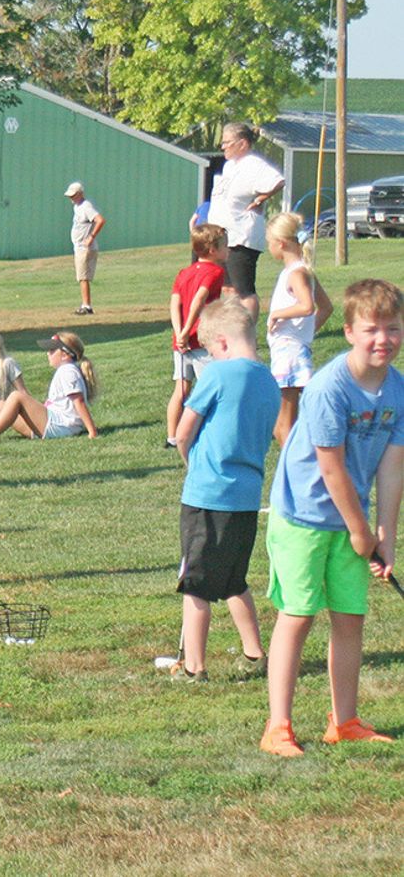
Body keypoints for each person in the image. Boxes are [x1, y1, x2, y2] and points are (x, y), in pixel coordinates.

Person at [259, 279, 403, 757]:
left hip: (350, 521)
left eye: (393, 329)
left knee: (350, 617)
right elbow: (330, 465)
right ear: (348, 332)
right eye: (371, 329)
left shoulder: (397, 389)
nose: (382, 339)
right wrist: (361, 531)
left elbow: (392, 462)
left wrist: (385, 533)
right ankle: (278, 726)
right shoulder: (328, 387)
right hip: (303, 515)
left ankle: (344, 721)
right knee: (297, 615)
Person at [171, 299, 281, 682]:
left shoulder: (217, 376)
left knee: (195, 584)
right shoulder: (270, 380)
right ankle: (254, 654)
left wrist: (192, 465)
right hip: (247, 496)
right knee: (234, 578)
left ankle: (193, 667)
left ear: (220, 344)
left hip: (208, 494)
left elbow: (183, 432)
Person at [265, 212, 334, 447]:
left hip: (289, 353)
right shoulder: (303, 271)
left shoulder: (296, 273)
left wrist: (277, 314)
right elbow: (326, 308)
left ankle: (294, 468)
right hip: (292, 349)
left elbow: (307, 306)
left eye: (269, 243)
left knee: (284, 424)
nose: (269, 248)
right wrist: (305, 333)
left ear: (281, 243)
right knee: (283, 421)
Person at [207, 122, 284, 321]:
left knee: (243, 290)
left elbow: (278, 181)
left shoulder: (254, 164)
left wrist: (261, 199)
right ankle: (235, 328)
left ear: (242, 143)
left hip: (241, 236)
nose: (223, 146)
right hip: (224, 236)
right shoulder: (230, 165)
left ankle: (248, 333)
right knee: (228, 288)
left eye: (227, 142)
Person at [165, 224, 227, 449]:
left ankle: (172, 436)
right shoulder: (216, 272)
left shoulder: (184, 273)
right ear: (212, 250)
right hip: (201, 341)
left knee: (181, 389)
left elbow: (175, 303)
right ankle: (209, 433)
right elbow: (199, 300)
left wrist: (178, 332)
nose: (227, 249)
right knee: (209, 388)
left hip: (181, 344)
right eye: (225, 245)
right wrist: (187, 331)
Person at [63, 182, 105, 315]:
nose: (71, 198)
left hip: (85, 247)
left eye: (73, 195)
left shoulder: (86, 206)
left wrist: (91, 237)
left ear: (80, 194)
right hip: (79, 246)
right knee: (82, 276)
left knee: (83, 277)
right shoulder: (77, 207)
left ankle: (86, 306)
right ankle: (85, 304)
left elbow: (100, 220)